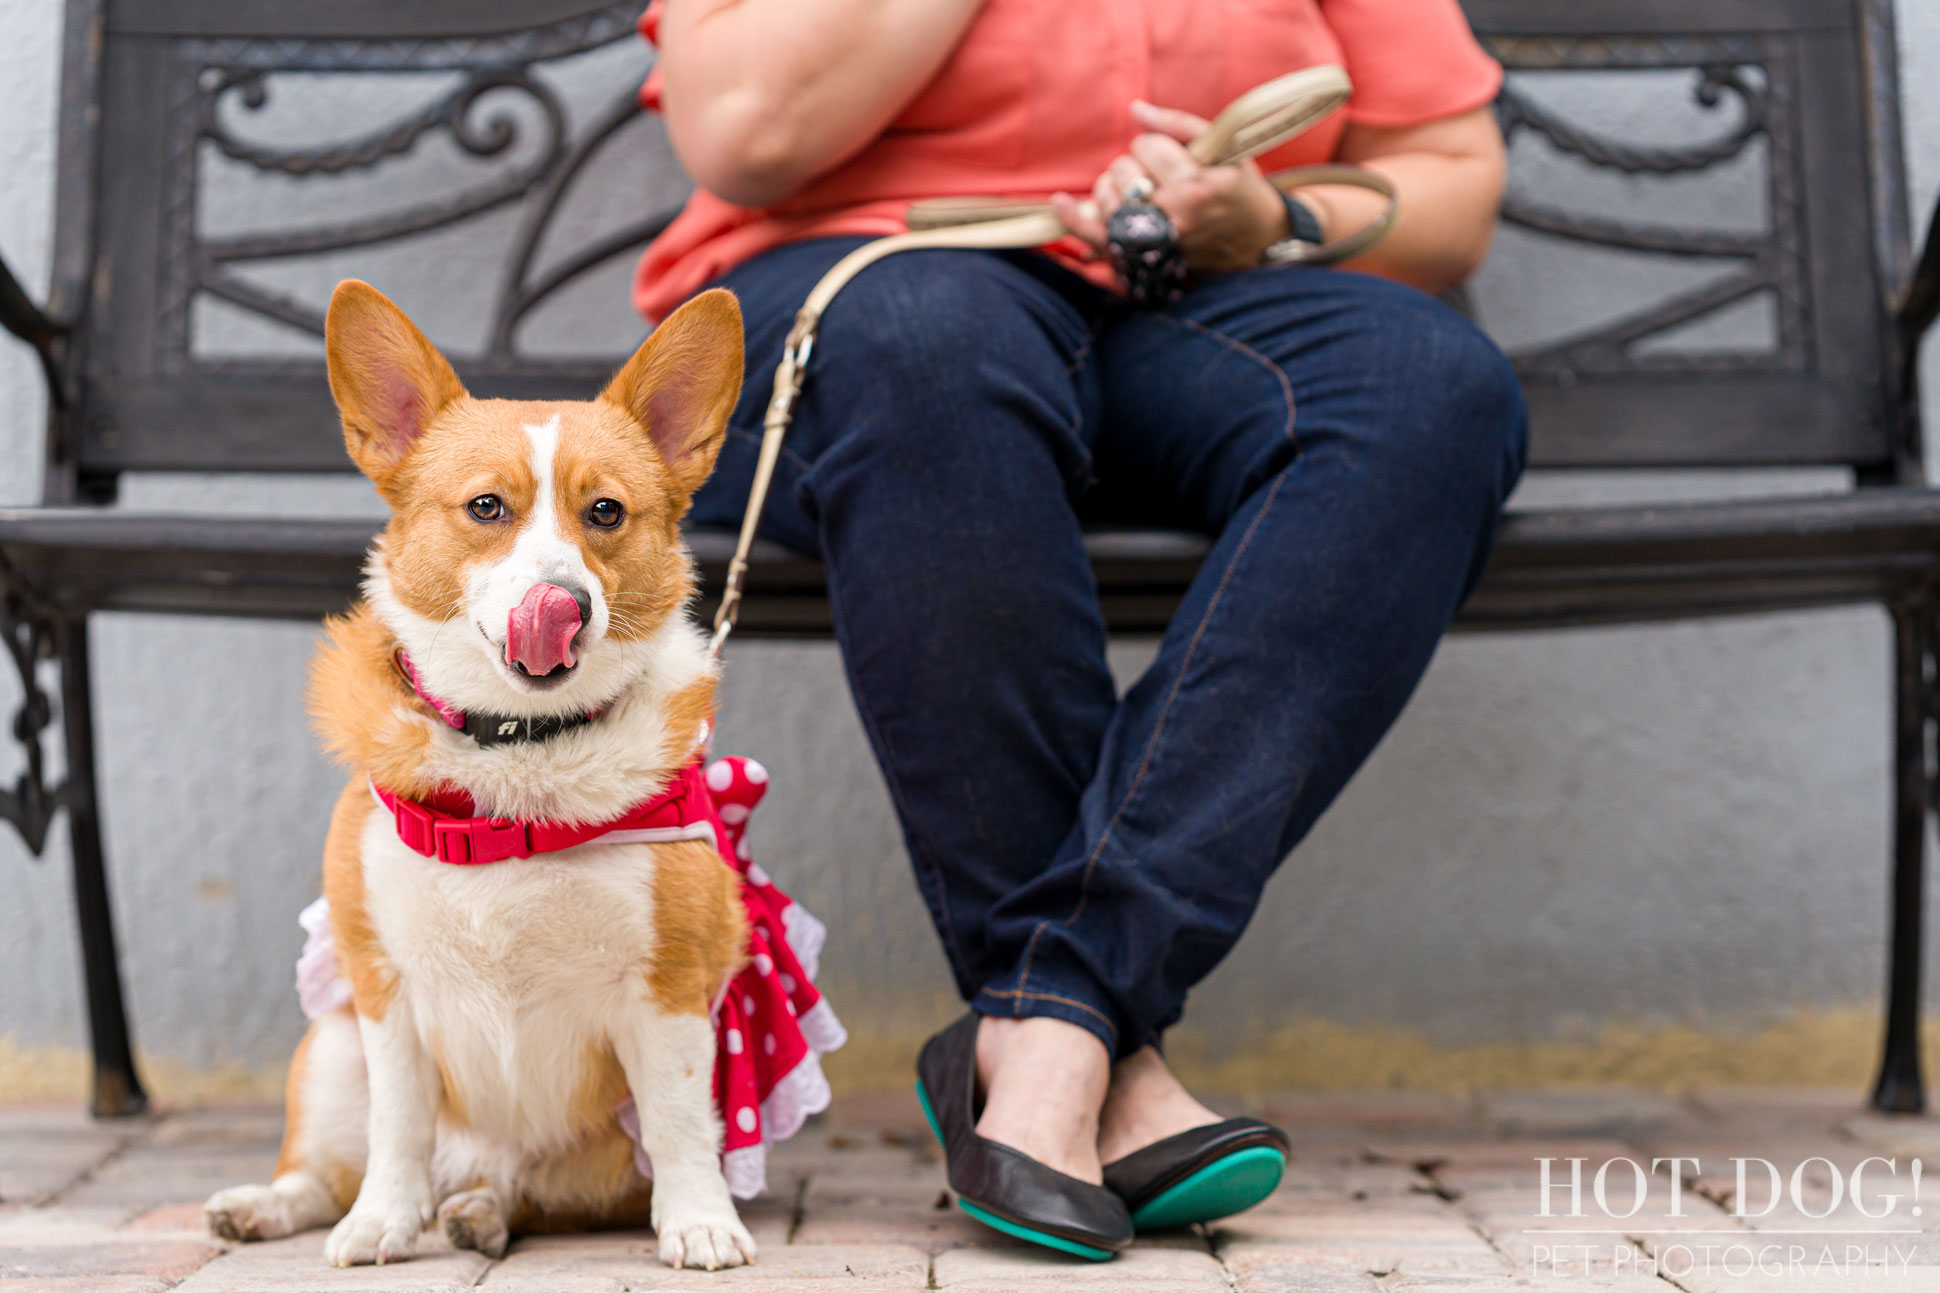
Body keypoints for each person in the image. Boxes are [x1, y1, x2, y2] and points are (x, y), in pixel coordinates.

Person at [635, 0, 1527, 1257]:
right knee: (931, 344)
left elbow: (1449, 178)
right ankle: (1089, 1045)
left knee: (1431, 389)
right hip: (865, 298)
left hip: (1192, 292)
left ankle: (1049, 1015)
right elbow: (745, 130)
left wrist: (1274, 217)